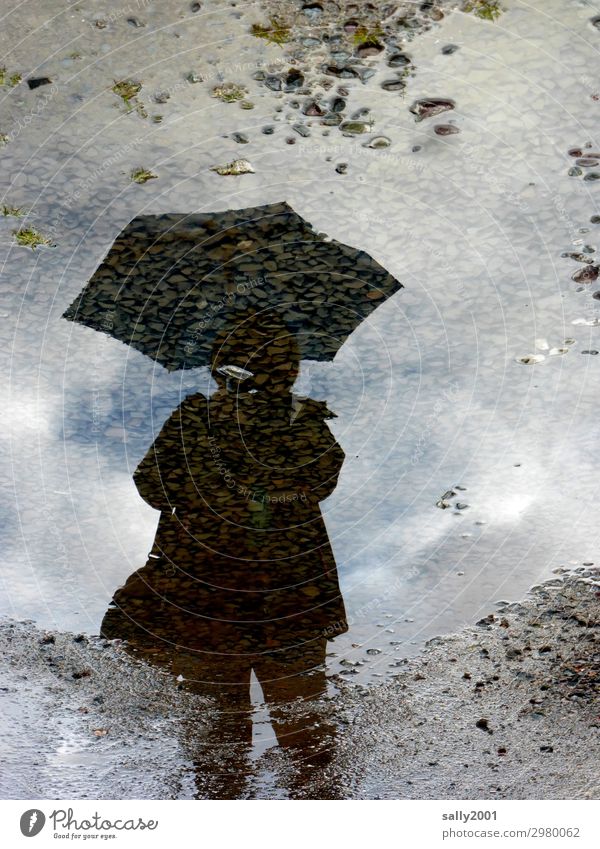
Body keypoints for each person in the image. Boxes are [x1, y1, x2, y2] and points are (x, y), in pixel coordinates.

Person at [101, 310, 347, 797]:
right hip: (286, 588)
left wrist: (207, 487)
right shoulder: (300, 419)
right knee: (298, 725)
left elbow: (151, 484)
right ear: (288, 370)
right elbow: (322, 480)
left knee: (222, 732)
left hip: (207, 587)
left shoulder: (198, 417)